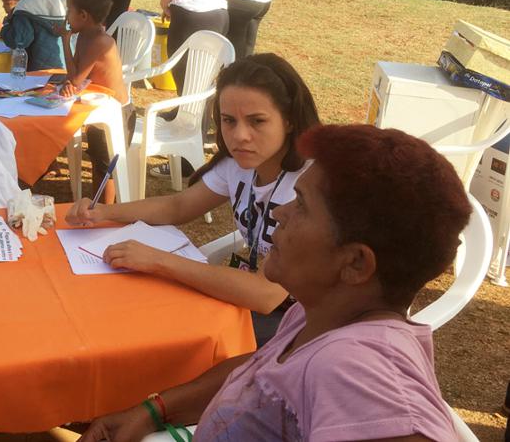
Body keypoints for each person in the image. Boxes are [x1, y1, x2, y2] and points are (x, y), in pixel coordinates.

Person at [79, 124, 468, 442]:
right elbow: (262, 376)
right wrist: (154, 410)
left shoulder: (358, 372)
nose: (280, 212)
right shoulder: (318, 312)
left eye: (301, 205)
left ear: (354, 263)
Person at [67, 53, 320, 344]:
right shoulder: (238, 165)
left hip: (306, 323)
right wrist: (102, 213)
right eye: (228, 120)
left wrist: (159, 261)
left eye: (257, 121)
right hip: (263, 305)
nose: (239, 136)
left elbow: (265, 294)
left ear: (289, 120)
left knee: (161, 332)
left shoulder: (310, 184)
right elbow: (178, 206)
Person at [57, 0, 132, 204]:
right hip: (98, 108)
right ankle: (98, 205)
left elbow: (76, 79)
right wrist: (66, 40)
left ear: (83, 16)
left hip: (118, 113)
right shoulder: (83, 36)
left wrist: (64, 40)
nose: (67, 16)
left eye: (69, 10)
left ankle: (106, 209)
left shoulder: (100, 41)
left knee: (106, 167)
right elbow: (74, 76)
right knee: (98, 162)